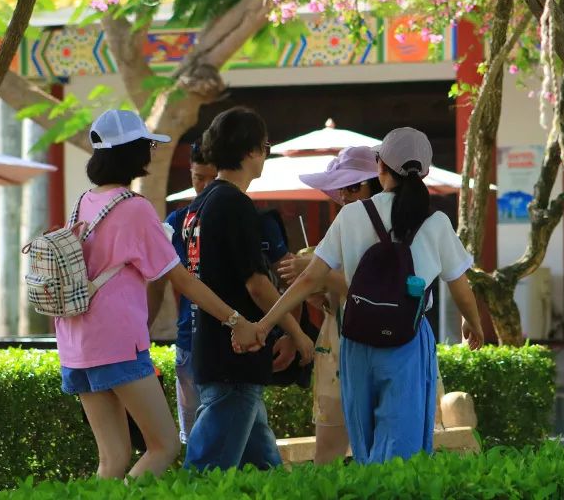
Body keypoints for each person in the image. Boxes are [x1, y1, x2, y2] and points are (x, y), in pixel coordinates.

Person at [246, 127, 485, 464]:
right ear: (425, 172)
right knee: (402, 449)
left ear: (380, 167)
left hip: (357, 338)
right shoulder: (437, 222)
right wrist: (472, 323)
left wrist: (264, 323)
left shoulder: (352, 215)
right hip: (409, 339)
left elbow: (309, 278)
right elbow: (460, 286)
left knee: (364, 444)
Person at [56, 109, 262, 480]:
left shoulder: (83, 202)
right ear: (133, 152)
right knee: (164, 445)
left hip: (76, 344)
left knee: (112, 460)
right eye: (148, 145)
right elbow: (181, 279)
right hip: (118, 344)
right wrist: (236, 319)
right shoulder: (135, 209)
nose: (151, 152)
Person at [181, 106, 315, 472]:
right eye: (265, 147)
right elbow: (257, 285)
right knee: (207, 472)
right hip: (236, 356)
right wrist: (296, 332)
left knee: (262, 468)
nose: (265, 155)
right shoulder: (234, 204)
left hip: (214, 348)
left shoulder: (199, 204)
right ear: (252, 150)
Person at [276, 145, 383, 464]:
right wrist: (317, 293)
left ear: (376, 184)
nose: (345, 196)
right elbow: (330, 297)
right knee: (329, 449)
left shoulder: (390, 226)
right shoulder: (343, 225)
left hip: (381, 340)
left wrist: (316, 275)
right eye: (341, 189)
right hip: (337, 340)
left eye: (354, 187)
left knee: (381, 448)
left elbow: (374, 292)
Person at [147, 141, 217, 446]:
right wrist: (143, 331)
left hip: (229, 342)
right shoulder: (175, 223)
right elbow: (157, 283)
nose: (204, 186)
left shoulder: (235, 219)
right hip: (189, 339)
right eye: (198, 177)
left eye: (212, 178)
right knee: (191, 437)